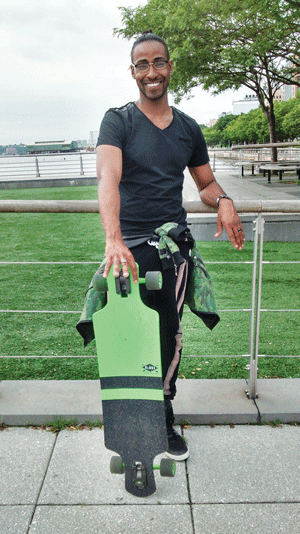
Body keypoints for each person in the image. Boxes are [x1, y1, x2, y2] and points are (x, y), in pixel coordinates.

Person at [96, 31, 245, 461]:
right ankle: (128, 416)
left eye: (157, 62)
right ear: (133, 72)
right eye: (141, 65)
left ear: (170, 67)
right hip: (127, 251)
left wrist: (226, 201)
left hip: (173, 250)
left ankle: (163, 413)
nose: (151, 72)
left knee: (167, 336)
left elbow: (206, 184)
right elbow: (108, 178)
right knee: (125, 335)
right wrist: (112, 240)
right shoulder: (117, 121)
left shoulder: (187, 128)